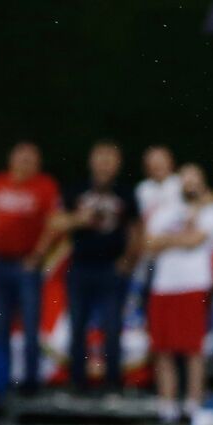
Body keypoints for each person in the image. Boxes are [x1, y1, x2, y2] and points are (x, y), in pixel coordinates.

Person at [146, 163, 213, 420]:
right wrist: (183, 237)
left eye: (195, 178)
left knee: (193, 348)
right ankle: (167, 403)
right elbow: (149, 244)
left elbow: (197, 241)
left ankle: (193, 401)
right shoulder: (165, 211)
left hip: (193, 285)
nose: (190, 183)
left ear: (203, 182)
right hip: (163, 285)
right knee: (163, 348)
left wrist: (169, 240)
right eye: (185, 179)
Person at [55, 140, 140, 392]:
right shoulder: (76, 189)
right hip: (80, 266)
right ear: (91, 161)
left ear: (117, 164)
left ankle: (113, 383)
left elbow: (136, 229)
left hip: (111, 269)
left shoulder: (125, 193)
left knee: (113, 327)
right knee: (77, 326)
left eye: (109, 159)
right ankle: (77, 382)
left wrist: (128, 260)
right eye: (100, 158)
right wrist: (77, 219)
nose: (104, 164)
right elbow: (55, 222)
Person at [0, 141, 60, 391]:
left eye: (30, 159)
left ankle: (30, 381)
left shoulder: (44, 185)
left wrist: (37, 255)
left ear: (37, 163)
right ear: (11, 160)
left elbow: (51, 223)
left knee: (29, 326)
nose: (25, 163)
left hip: (25, 264)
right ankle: (2, 380)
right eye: (21, 157)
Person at [135, 145, 182, 227]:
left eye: (161, 160)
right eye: (153, 161)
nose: (157, 165)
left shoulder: (181, 182)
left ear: (171, 162)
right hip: (153, 237)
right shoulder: (142, 188)